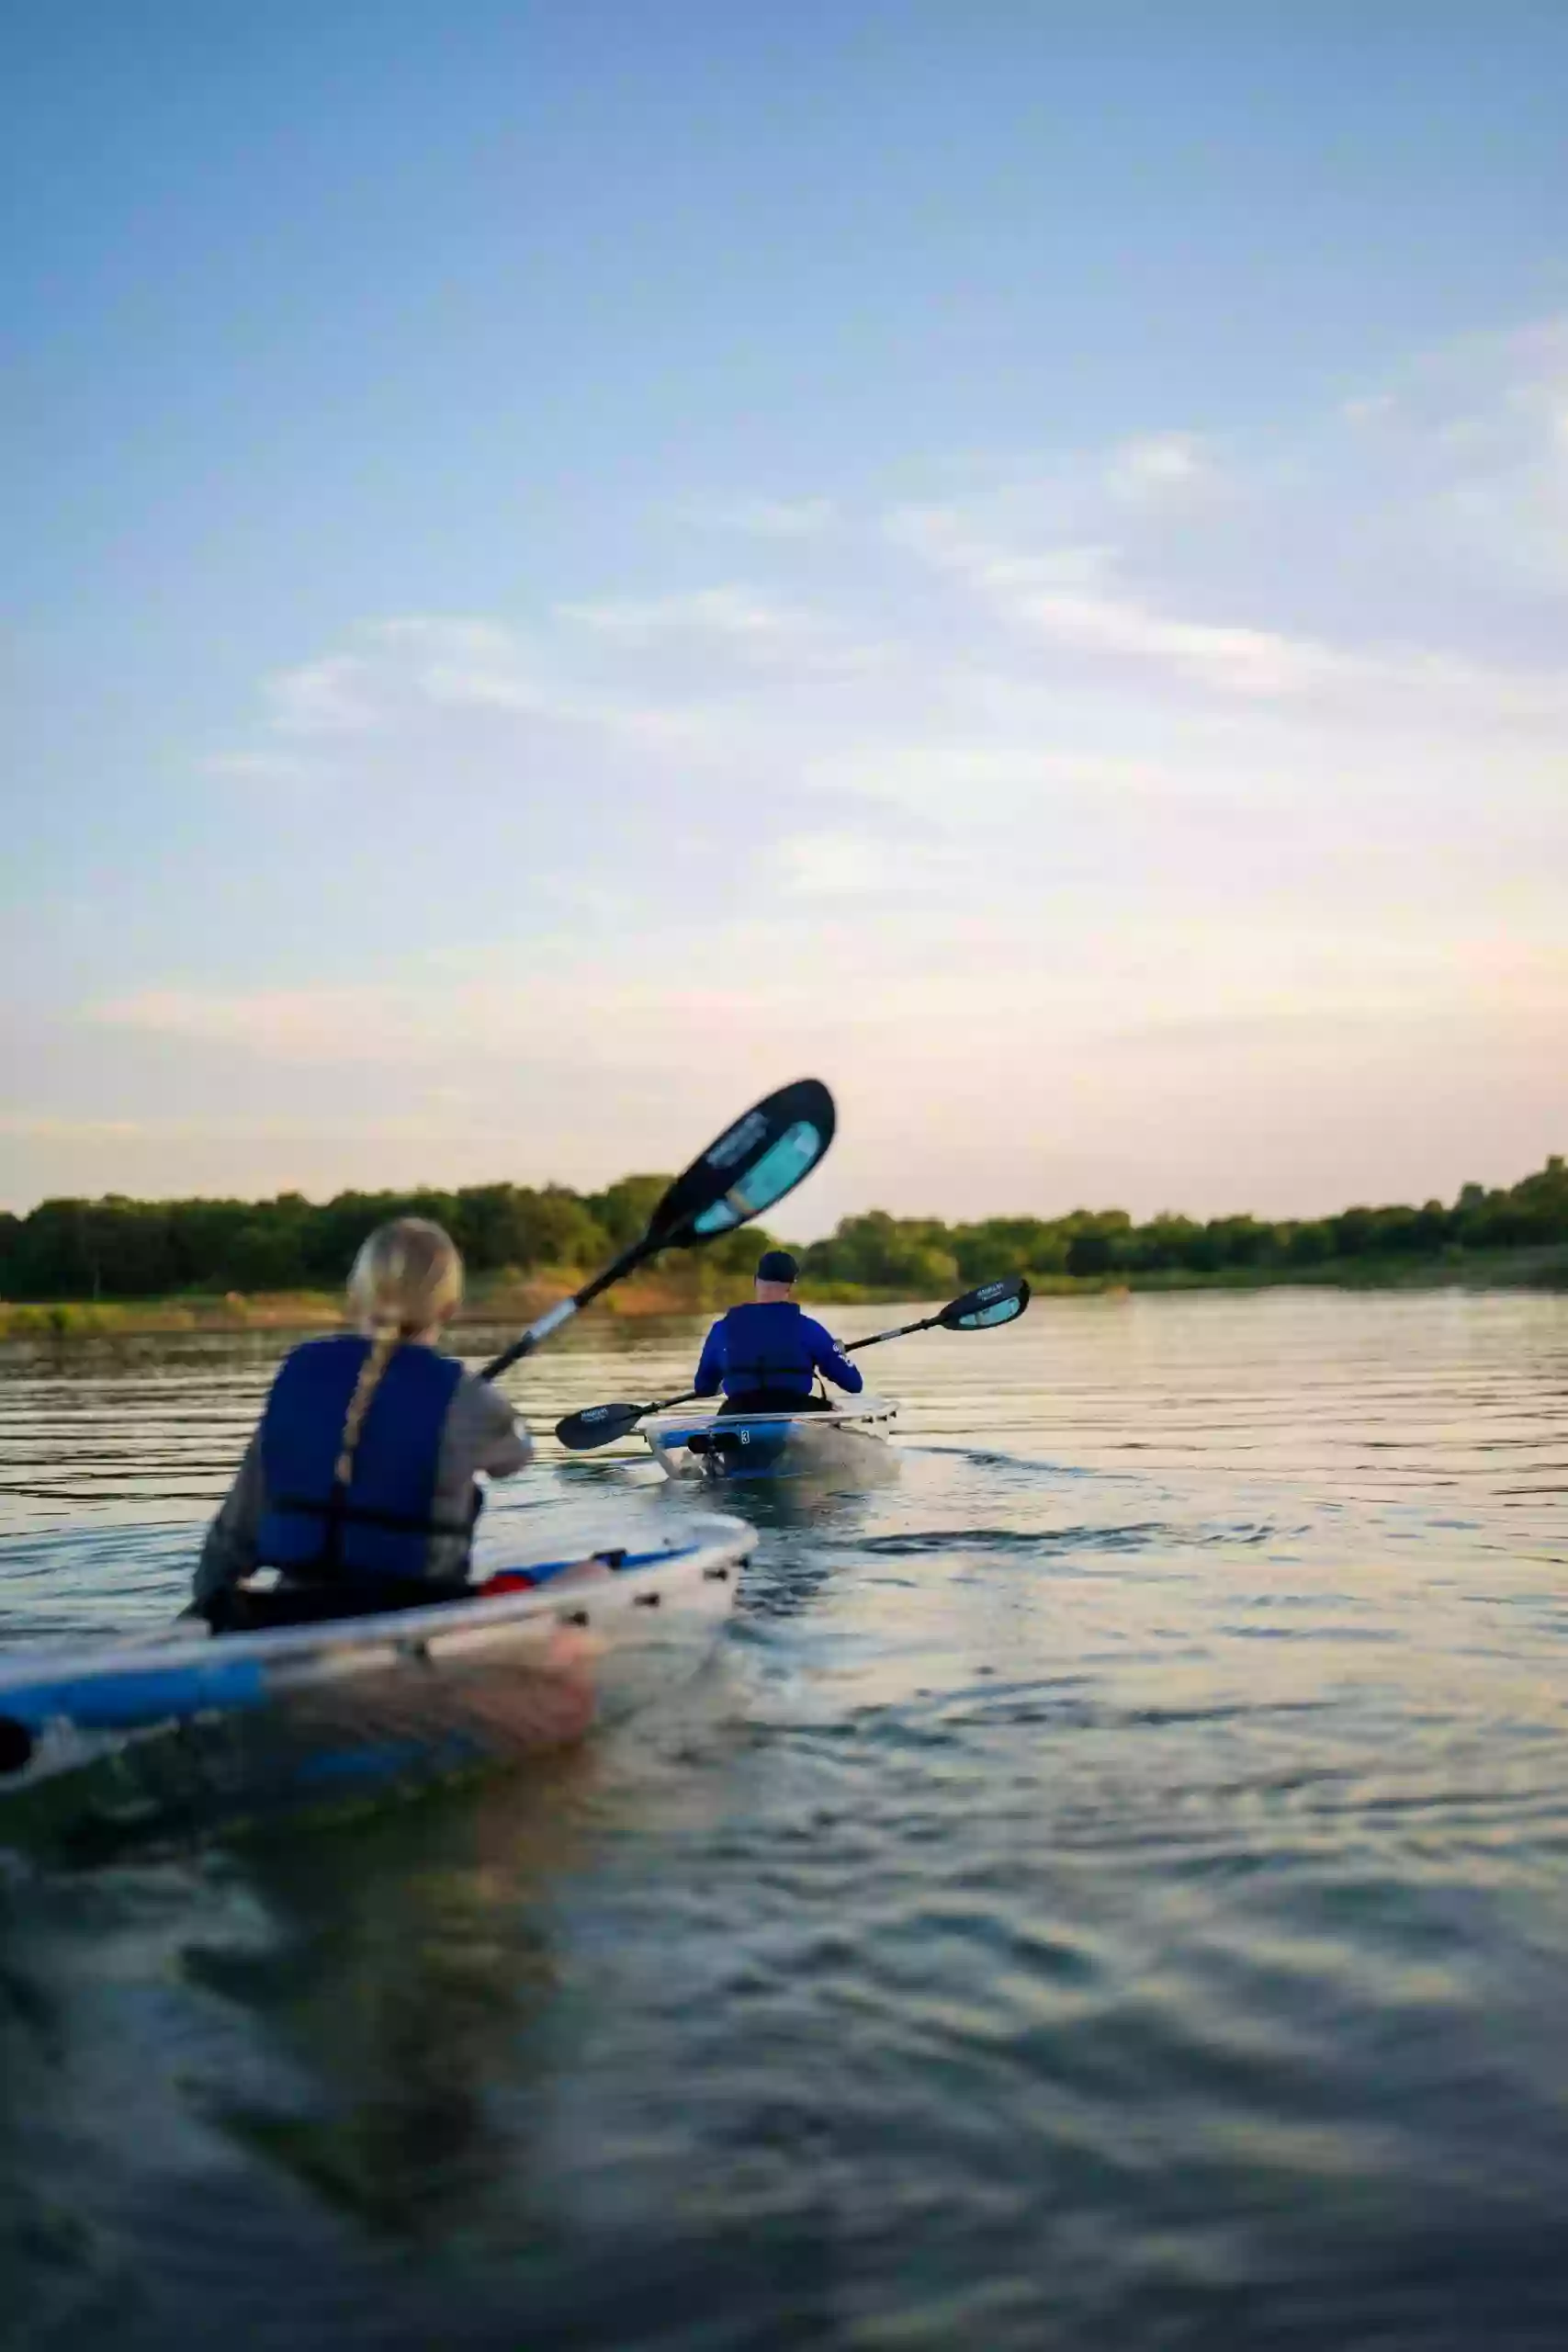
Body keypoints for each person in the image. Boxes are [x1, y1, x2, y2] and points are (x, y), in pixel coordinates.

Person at [194, 1217, 531, 1623]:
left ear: (357, 1295)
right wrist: (486, 1403)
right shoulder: (467, 1397)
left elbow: (236, 1529)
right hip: (421, 1615)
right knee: (590, 1572)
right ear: (449, 1306)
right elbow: (515, 1458)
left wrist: (204, 1613)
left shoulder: (299, 1374)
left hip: (291, 1614)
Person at [693, 1250, 863, 1416]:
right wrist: (837, 1354)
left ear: (755, 1281)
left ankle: (732, 1442)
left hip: (739, 1415)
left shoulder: (721, 1329)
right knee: (832, 1409)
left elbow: (702, 1387)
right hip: (794, 1413)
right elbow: (854, 1384)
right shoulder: (809, 1329)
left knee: (727, 1416)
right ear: (790, 1286)